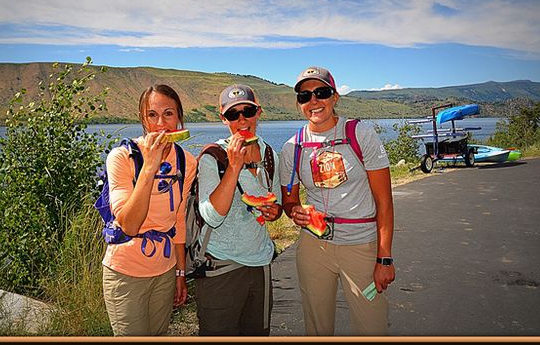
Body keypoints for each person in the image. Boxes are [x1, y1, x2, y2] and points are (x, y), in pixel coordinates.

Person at [279, 66, 395, 335]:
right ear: (299, 104)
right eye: (305, 95)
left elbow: (385, 202)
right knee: (317, 328)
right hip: (313, 247)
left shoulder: (360, 133)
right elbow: (289, 201)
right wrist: (294, 210)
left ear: (334, 97)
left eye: (321, 92)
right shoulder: (292, 147)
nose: (314, 101)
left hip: (361, 246)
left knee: (373, 326)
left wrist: (385, 258)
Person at [101, 84, 197, 336]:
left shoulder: (187, 161)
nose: (161, 123)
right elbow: (129, 224)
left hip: (165, 270)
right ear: (143, 119)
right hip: (125, 272)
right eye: (152, 115)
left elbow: (177, 218)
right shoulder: (121, 157)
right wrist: (149, 167)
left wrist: (179, 272)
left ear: (179, 117)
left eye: (168, 113)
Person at [195, 84, 283, 336]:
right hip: (221, 268)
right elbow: (212, 216)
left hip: (260, 264)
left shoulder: (269, 155)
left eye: (248, 111)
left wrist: (272, 212)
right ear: (224, 119)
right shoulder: (213, 157)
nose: (242, 120)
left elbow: (275, 207)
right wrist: (233, 167)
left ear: (259, 112)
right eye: (234, 115)